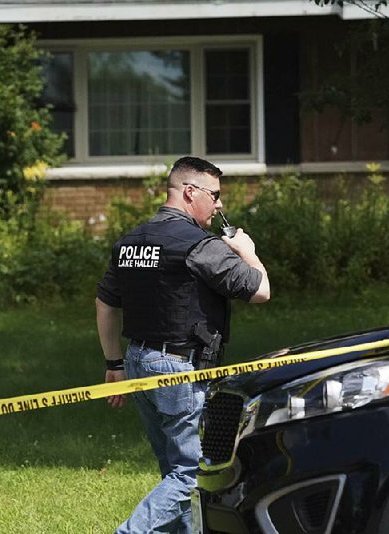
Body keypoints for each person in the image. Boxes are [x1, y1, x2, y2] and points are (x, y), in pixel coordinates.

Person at [96, 156, 270, 533]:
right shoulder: (200, 245)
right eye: (216, 195)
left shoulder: (131, 241)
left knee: (172, 470)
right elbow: (260, 290)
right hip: (178, 369)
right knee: (189, 475)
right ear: (191, 193)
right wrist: (247, 250)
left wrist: (114, 363)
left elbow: (106, 303)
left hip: (138, 362)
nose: (220, 204)